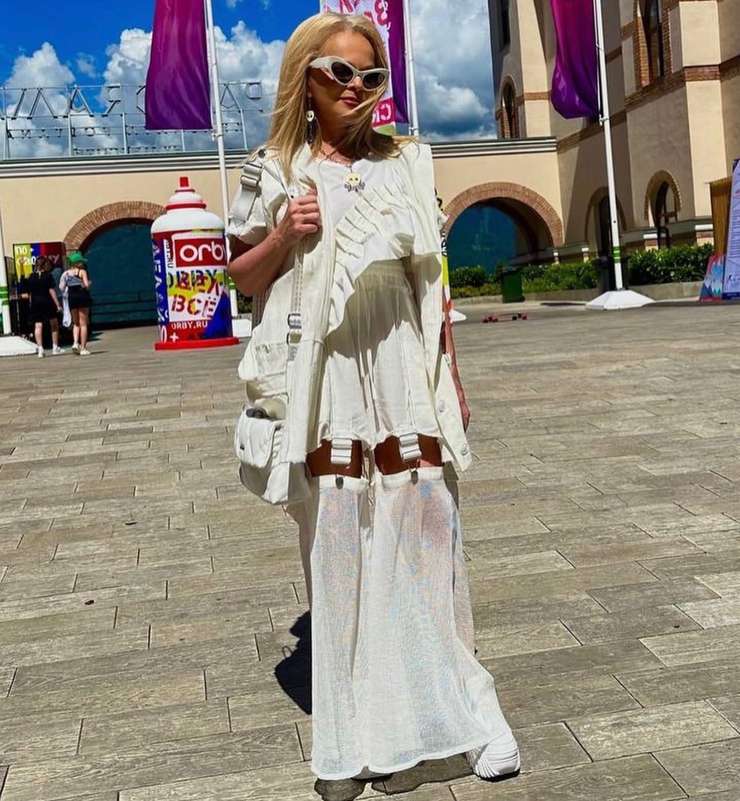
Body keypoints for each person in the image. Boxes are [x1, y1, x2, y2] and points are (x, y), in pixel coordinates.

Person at [227, 12, 519, 801]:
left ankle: (469, 708)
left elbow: (435, 284)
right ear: (307, 78)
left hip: (401, 362)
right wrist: (284, 234)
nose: (356, 88)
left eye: (371, 75)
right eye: (339, 72)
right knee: (339, 538)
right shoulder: (275, 168)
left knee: (430, 528)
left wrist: (453, 380)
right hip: (323, 374)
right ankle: (355, 731)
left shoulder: (409, 160)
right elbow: (241, 277)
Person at [24, 256, 62, 358]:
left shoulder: (31, 277)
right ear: (45, 265)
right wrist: (58, 304)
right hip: (47, 302)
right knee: (54, 324)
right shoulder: (48, 276)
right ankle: (55, 347)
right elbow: (51, 290)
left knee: (38, 325)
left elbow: (30, 293)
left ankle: (40, 349)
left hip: (35, 303)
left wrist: (31, 303)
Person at [59, 251, 93, 355]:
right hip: (82, 296)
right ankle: (83, 348)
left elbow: (61, 287)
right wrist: (88, 284)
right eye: (81, 262)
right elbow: (86, 285)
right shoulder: (82, 272)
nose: (82, 263)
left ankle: (75, 343)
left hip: (72, 297)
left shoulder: (65, 273)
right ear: (77, 263)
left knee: (76, 323)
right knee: (83, 323)